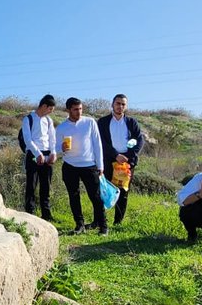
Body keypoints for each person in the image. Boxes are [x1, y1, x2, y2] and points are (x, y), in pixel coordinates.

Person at [55, 97, 106, 235]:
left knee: (95, 196)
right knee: (74, 196)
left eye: (80, 109)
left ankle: (103, 226)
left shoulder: (89, 122)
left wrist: (100, 165)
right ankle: (79, 225)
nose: (79, 112)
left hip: (89, 165)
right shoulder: (61, 127)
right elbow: (55, 148)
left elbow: (97, 143)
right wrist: (61, 148)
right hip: (70, 165)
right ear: (68, 110)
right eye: (75, 109)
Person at [97, 93, 143, 227]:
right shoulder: (103, 121)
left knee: (123, 191)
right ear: (112, 104)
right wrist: (116, 155)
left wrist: (127, 156)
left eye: (123, 104)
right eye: (118, 103)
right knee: (104, 190)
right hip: (108, 160)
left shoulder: (131, 122)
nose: (120, 106)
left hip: (126, 162)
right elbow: (101, 142)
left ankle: (118, 222)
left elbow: (139, 140)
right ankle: (101, 221)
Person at [20, 94, 57, 220]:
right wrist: (38, 153)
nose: (50, 112)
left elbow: (52, 138)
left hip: (47, 154)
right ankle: (29, 213)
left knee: (46, 185)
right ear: (44, 106)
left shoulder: (48, 120)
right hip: (33, 154)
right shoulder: (28, 119)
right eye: (50, 109)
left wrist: (53, 152)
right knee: (31, 185)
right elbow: (27, 140)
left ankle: (46, 214)